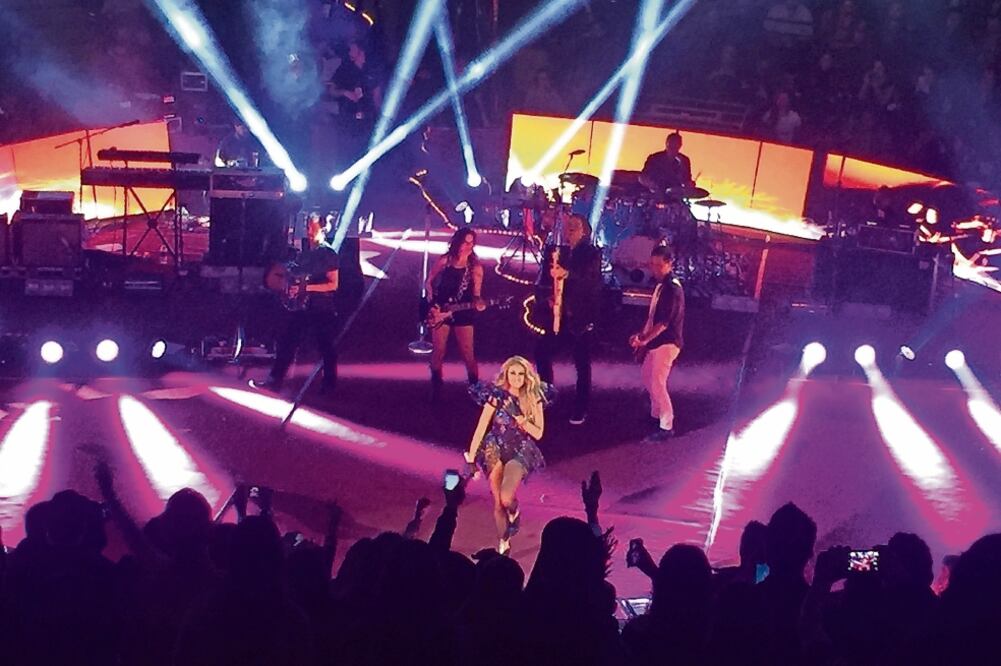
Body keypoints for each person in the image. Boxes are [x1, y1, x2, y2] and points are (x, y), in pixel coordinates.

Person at [464, 356, 548, 555]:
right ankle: (503, 543)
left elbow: (538, 433)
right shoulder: (497, 396)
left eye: (520, 374)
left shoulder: (532, 396)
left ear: (526, 376)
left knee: (506, 497)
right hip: (495, 447)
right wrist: (471, 457)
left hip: (519, 450)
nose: (517, 377)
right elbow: (481, 426)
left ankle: (514, 510)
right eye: (513, 373)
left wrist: (519, 418)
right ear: (507, 375)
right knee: (497, 501)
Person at [251, 214, 339, 393]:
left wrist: (307, 289)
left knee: (325, 347)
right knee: (288, 343)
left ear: (322, 228)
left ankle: (329, 385)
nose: (308, 231)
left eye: (311, 227)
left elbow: (333, 284)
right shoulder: (307, 253)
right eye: (307, 226)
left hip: (321, 308)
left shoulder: (328, 254)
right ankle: (275, 381)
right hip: (302, 308)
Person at [534, 214, 602, 425]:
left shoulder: (592, 253)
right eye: (568, 226)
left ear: (585, 231)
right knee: (542, 352)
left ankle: (581, 407)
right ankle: (547, 394)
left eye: (575, 227)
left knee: (581, 363)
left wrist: (567, 274)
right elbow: (545, 280)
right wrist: (548, 296)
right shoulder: (559, 252)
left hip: (579, 317)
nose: (569, 230)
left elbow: (590, 280)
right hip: (558, 316)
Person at [630, 245, 685, 439]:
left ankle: (666, 425)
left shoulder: (672, 289)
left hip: (667, 343)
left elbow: (663, 323)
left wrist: (643, 339)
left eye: (658, 265)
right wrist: (642, 336)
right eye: (652, 265)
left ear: (669, 264)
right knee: (649, 378)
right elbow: (654, 318)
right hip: (659, 342)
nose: (654, 269)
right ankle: (656, 416)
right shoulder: (663, 285)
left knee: (657, 383)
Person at [425, 228, 486, 400]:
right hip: (441, 311)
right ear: (457, 242)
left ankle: (474, 388)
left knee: (468, 353)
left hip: (463, 314)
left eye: (471, 243)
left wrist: (478, 303)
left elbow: (477, 295)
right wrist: (432, 301)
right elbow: (429, 280)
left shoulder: (475, 268)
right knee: (438, 351)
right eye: (465, 242)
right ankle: (436, 387)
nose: (468, 246)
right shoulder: (445, 261)